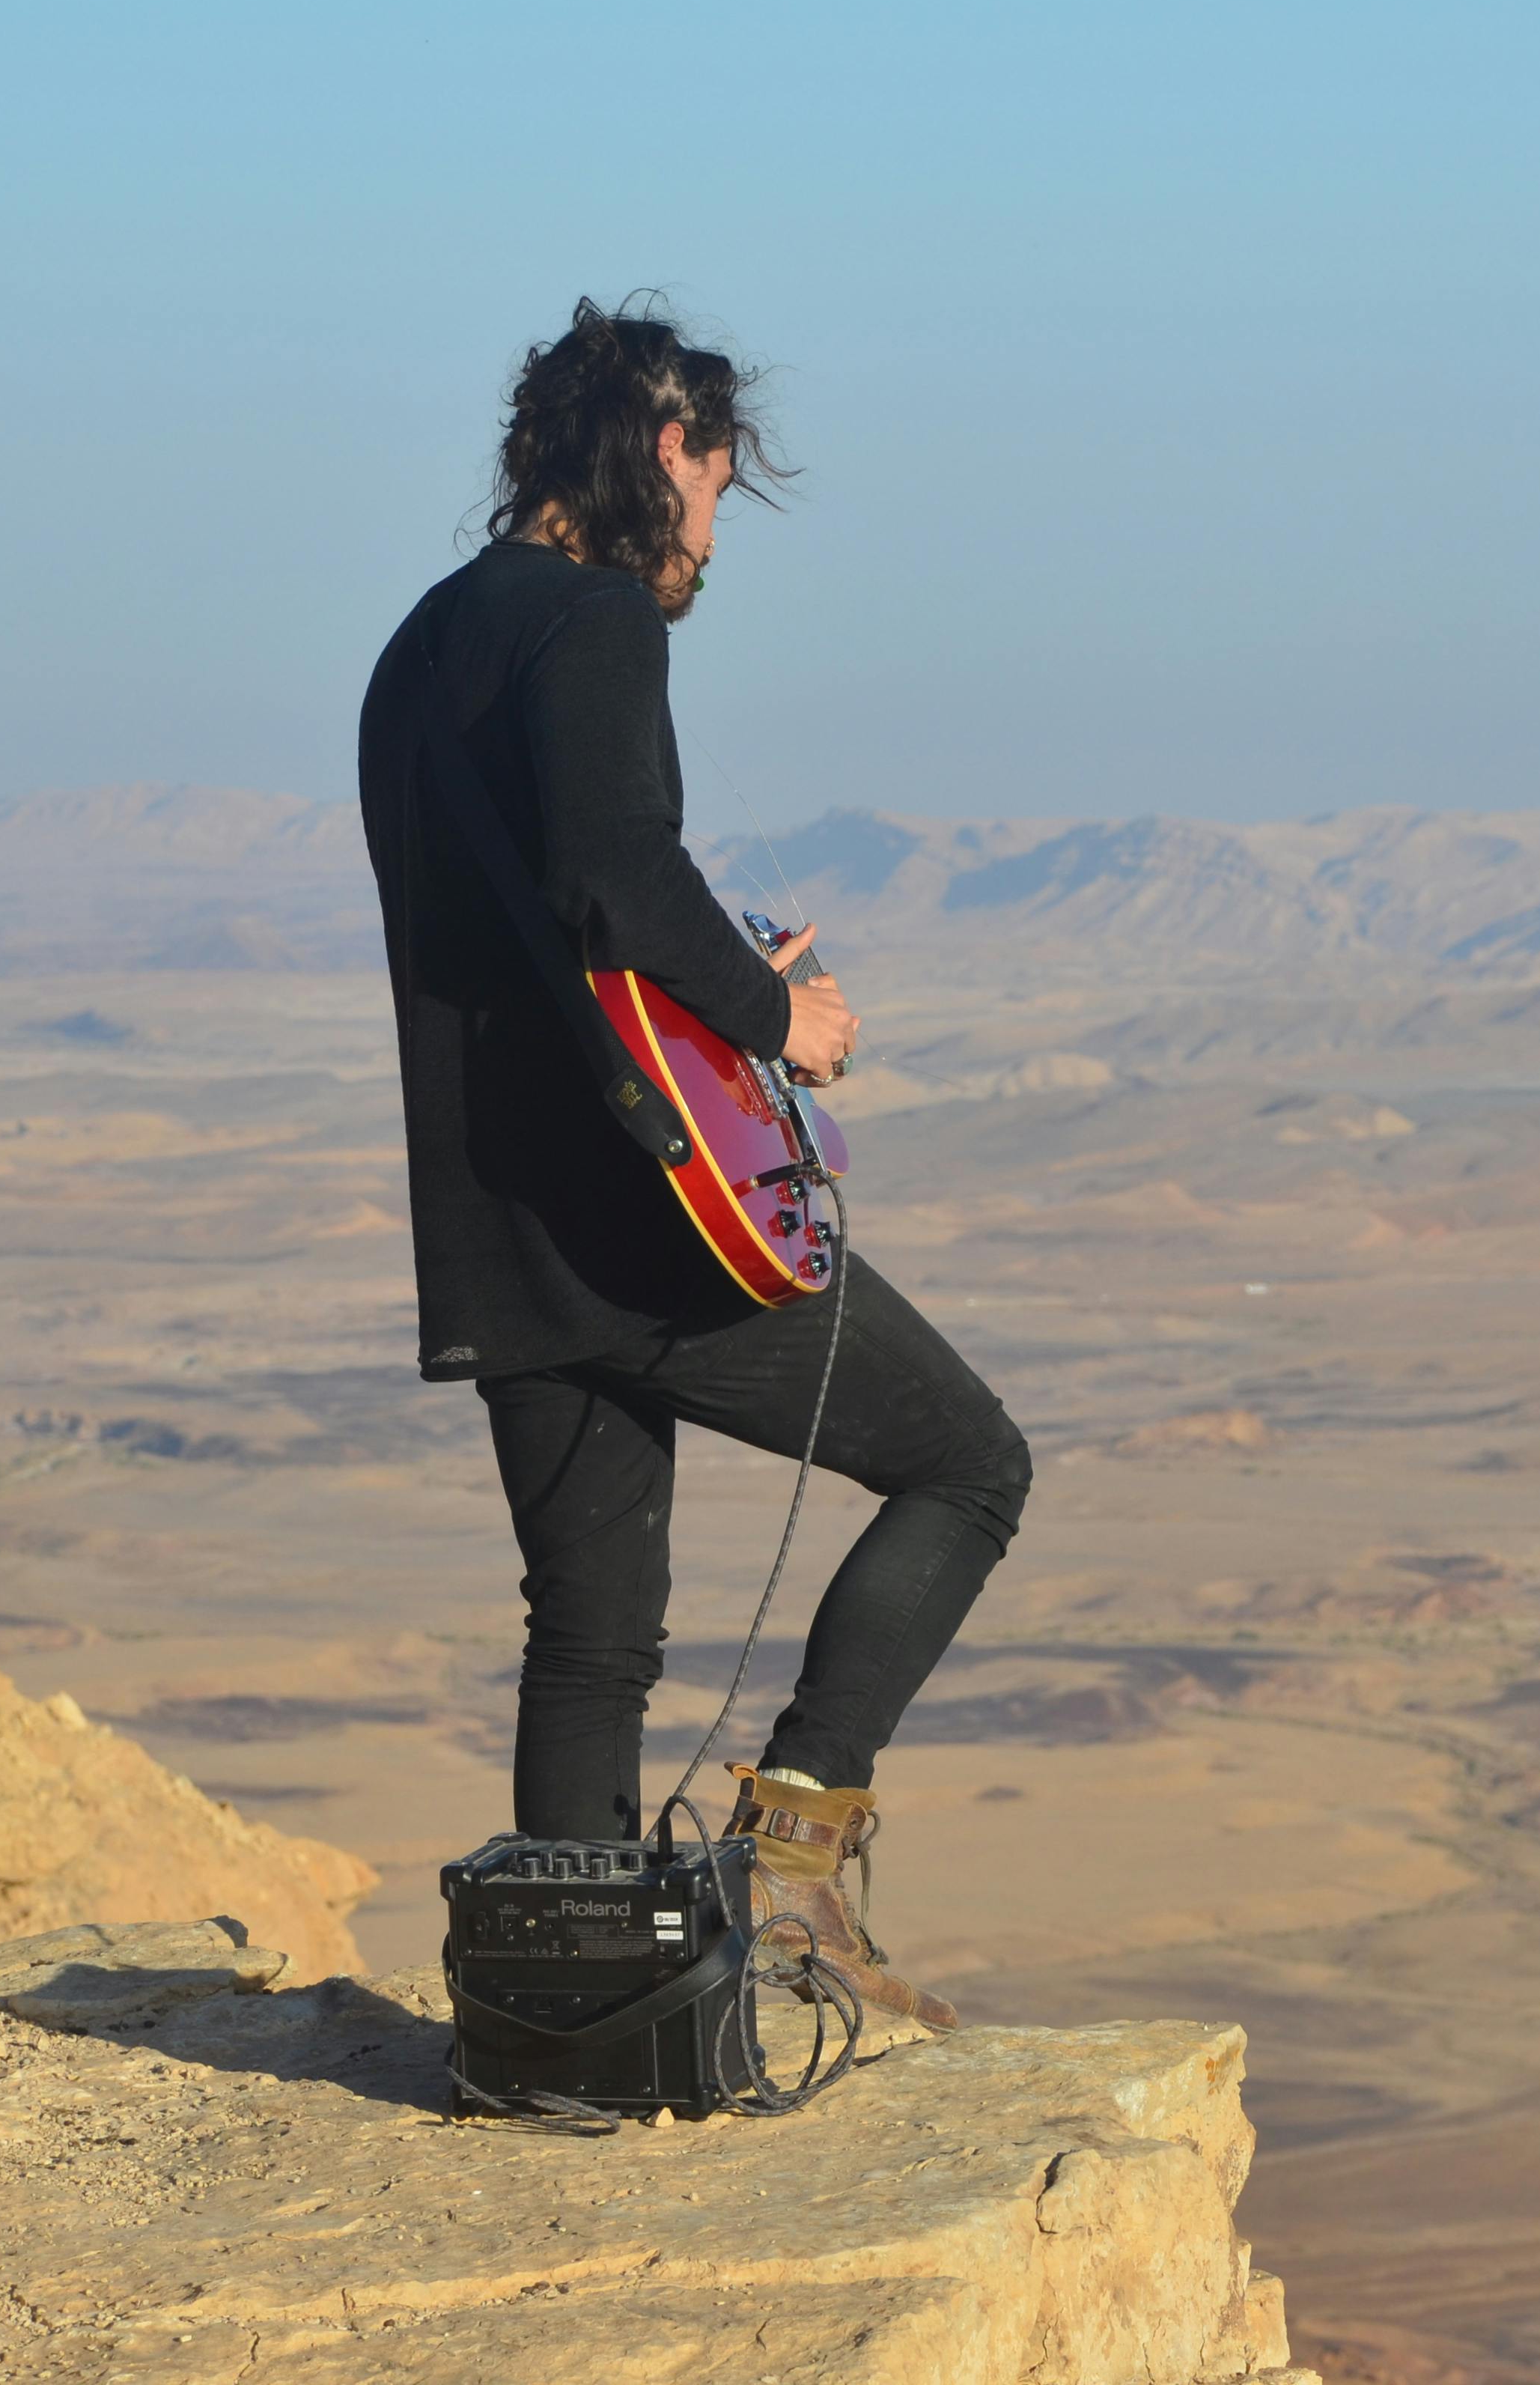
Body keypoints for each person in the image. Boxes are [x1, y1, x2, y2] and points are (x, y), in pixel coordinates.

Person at [357, 296, 1025, 2030]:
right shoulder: (592, 624)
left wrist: (719, 978)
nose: (715, 541)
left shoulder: (422, 649)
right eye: (720, 492)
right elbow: (612, 883)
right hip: (646, 1227)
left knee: (590, 1635)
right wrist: (775, 1019)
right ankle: (796, 1864)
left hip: (493, 1226)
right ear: (666, 448)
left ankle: (564, 2031)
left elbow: (537, 929)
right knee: (969, 1463)